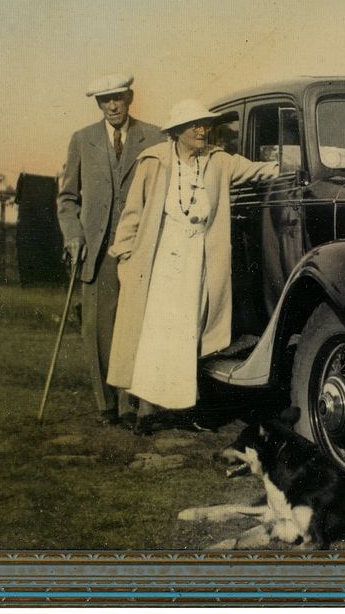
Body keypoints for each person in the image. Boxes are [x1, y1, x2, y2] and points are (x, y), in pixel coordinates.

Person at [106, 98, 279, 431]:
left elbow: (258, 170)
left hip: (197, 259)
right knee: (154, 332)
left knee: (186, 333)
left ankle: (184, 406)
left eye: (205, 125)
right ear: (178, 131)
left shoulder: (219, 161)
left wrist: (290, 166)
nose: (203, 131)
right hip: (158, 257)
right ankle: (145, 408)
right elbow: (133, 213)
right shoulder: (154, 161)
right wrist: (126, 255)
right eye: (195, 126)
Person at [56, 73, 167, 425]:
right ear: (98, 104)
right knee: (100, 328)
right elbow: (67, 198)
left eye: (118, 97)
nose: (113, 105)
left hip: (140, 246)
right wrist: (74, 234)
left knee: (139, 325)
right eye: (106, 100)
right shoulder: (82, 140)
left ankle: (136, 402)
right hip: (98, 249)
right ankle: (107, 404)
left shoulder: (155, 136)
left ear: (130, 96)